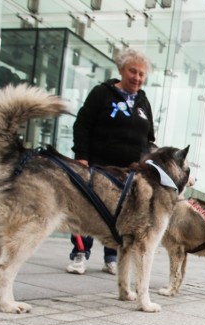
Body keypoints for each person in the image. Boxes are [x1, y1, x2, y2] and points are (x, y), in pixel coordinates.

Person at [66, 48, 155, 275]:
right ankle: (79, 253)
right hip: (98, 165)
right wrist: (82, 157)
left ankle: (111, 257)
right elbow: (82, 125)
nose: (137, 77)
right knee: (87, 208)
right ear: (121, 70)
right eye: (132, 71)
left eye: (141, 74)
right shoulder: (102, 93)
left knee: (120, 213)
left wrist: (145, 165)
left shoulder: (143, 102)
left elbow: (149, 138)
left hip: (128, 172)